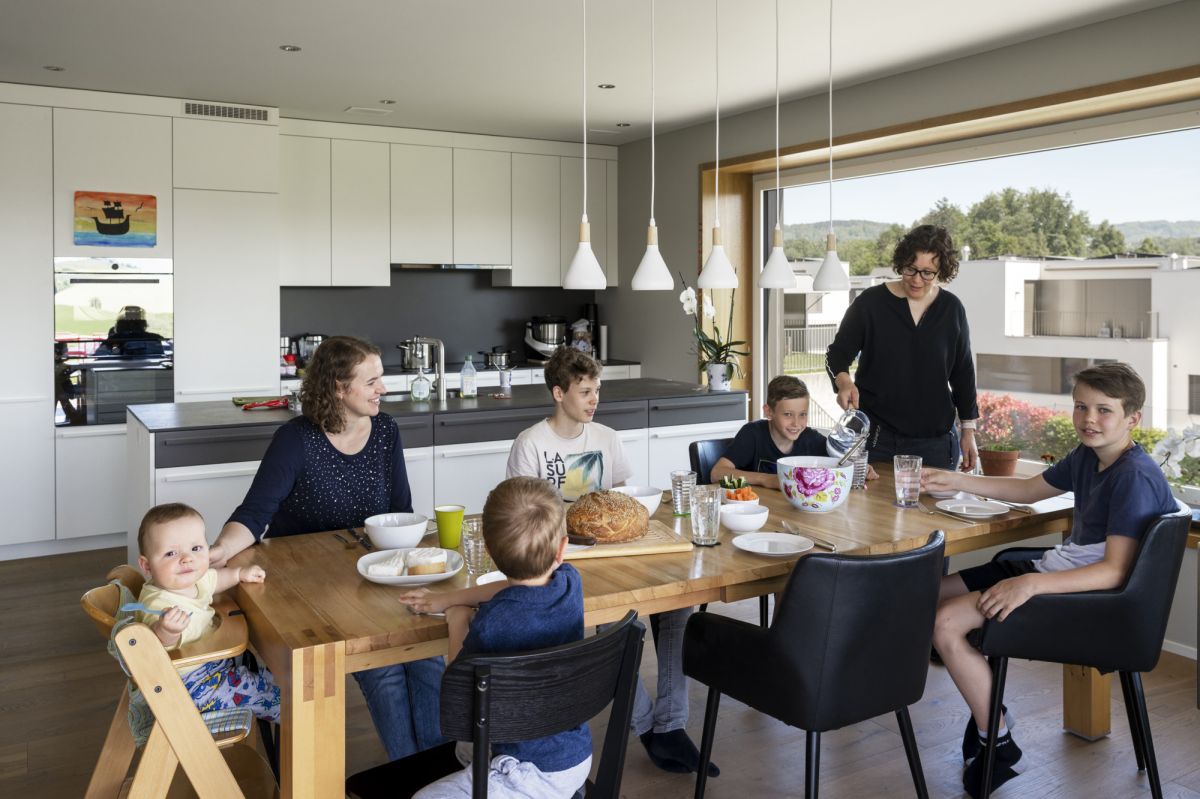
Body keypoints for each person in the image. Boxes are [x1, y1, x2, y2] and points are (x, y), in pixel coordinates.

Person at [923, 362, 1176, 798]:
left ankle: (995, 740)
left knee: (945, 623)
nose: (1089, 419)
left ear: (1133, 418)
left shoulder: (1133, 476)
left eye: (1104, 410)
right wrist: (953, 478)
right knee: (922, 594)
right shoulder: (1087, 456)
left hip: (1093, 601)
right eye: (1081, 407)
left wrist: (1029, 585)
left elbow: (1114, 571)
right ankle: (991, 709)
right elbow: (1027, 492)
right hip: (1055, 571)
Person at [208, 335, 444, 760]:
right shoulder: (295, 439)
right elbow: (255, 514)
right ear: (339, 388)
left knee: (427, 657)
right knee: (384, 668)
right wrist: (217, 552)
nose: (383, 389)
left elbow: (401, 512)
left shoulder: (387, 430)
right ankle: (411, 774)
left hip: (376, 575)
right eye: (371, 381)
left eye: (381, 379)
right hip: (310, 590)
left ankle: (435, 775)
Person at [505, 346, 718, 777]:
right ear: (558, 392)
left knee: (678, 603)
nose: (593, 400)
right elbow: (521, 517)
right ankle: (646, 726)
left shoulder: (606, 437)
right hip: (560, 560)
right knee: (615, 627)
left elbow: (624, 499)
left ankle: (671, 725)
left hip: (619, 551)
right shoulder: (531, 443)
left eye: (596, 390)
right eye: (584, 392)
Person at [401, 477, 592, 799]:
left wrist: (458, 617)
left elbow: (459, 691)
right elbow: (516, 588)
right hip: (575, 754)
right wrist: (453, 598)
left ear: (489, 551)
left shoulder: (494, 623)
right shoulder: (570, 583)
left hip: (524, 769)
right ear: (562, 548)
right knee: (469, 745)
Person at [825, 224, 979, 471]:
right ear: (901, 263)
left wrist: (968, 431)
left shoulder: (952, 309)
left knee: (931, 510)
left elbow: (963, 372)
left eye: (928, 272)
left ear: (942, 271)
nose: (917, 280)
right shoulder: (870, 303)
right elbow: (837, 355)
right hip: (877, 440)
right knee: (871, 510)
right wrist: (843, 382)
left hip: (936, 443)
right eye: (911, 269)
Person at [134, 502, 280, 723]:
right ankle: (299, 726)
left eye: (196, 549)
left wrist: (240, 573)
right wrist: (166, 630)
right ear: (146, 566)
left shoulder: (191, 580)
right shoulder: (159, 603)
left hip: (213, 664)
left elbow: (215, 580)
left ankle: (282, 694)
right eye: (171, 553)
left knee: (276, 673)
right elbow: (153, 645)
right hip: (190, 687)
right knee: (281, 701)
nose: (186, 559)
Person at [711, 375, 875, 487]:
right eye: (788, 414)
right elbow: (717, 473)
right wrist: (766, 480)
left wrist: (860, 469)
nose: (796, 423)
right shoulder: (752, 434)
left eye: (803, 414)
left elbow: (840, 465)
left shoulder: (812, 439)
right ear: (769, 412)